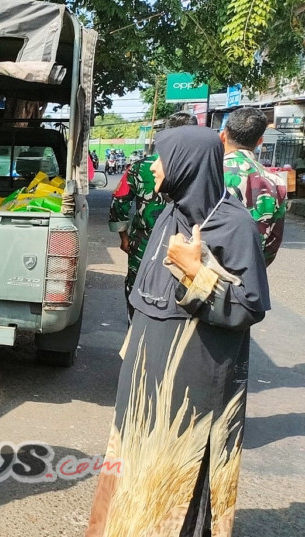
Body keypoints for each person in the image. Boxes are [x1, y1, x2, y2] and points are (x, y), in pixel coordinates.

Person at [87, 126, 270, 537]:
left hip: (193, 380)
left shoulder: (233, 225)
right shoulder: (170, 215)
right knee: (135, 459)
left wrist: (196, 273)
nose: (154, 166)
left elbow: (249, 307)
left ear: (187, 165)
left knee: (179, 470)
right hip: (146, 373)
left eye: (162, 158)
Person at [108, 112, 198, 318]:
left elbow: (119, 201)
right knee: (183, 296)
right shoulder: (204, 167)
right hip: (189, 247)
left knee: (137, 290)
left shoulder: (141, 166)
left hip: (143, 244)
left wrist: (124, 238)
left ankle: (135, 329)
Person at [221, 107, 287, 265]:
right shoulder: (276, 181)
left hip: (204, 269)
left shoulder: (210, 171)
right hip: (250, 269)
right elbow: (274, 239)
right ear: (260, 141)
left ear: (223, 135)